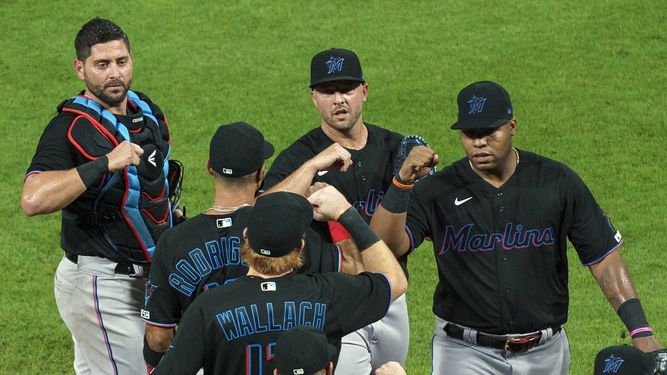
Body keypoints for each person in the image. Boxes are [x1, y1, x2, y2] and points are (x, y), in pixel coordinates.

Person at [370, 80, 663, 374]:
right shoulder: (437, 189)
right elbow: (384, 248)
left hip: (545, 353)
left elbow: (603, 258)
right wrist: (402, 182)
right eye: (470, 134)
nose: (479, 142)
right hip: (464, 353)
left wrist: (640, 331)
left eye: (489, 132)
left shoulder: (556, 182)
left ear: (512, 126)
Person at [21, 17, 174, 375]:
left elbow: (152, 184)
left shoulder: (147, 112)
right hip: (100, 284)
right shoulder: (68, 127)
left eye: (121, 62)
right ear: (80, 68)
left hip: (147, 278)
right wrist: (104, 163)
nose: (114, 74)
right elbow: (32, 199)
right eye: (102, 65)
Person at [142, 122, 347, 370]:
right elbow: (350, 268)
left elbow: (158, 337)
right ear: (261, 173)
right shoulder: (285, 233)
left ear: (209, 167)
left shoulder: (173, 241)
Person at [152, 188, 408, 375]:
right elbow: (395, 281)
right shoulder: (329, 293)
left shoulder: (207, 307)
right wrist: (346, 213)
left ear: (246, 237)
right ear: (300, 247)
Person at [264, 47, 409, 374]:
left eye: (346, 89)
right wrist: (312, 166)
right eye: (328, 91)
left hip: (392, 296)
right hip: (335, 303)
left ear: (364, 92)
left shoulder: (394, 148)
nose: (338, 99)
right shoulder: (299, 156)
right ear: (314, 97)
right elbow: (265, 211)